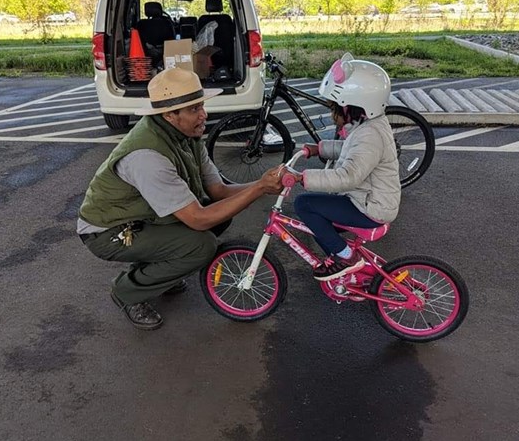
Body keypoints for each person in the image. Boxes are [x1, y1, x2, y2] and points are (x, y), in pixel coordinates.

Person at [77, 67, 283, 330]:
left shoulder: (186, 135)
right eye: (194, 109)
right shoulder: (147, 156)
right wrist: (259, 189)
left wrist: (263, 184)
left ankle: (162, 267)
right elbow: (197, 220)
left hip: (144, 217)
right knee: (200, 245)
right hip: (108, 231)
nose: (204, 115)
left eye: (201, 106)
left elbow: (218, 191)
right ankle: (127, 292)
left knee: (218, 216)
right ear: (169, 114)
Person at [284, 53, 401, 281]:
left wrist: (301, 178)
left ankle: (348, 259)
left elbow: (348, 176)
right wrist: (322, 148)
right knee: (320, 227)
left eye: (337, 107)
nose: (333, 113)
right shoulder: (369, 124)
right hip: (368, 200)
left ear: (355, 106)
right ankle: (348, 269)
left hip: (371, 208)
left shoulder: (369, 134)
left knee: (305, 205)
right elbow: (352, 151)